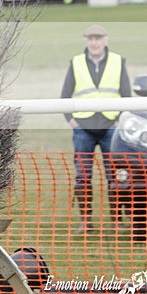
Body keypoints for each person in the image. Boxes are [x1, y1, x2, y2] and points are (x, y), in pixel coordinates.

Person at [60, 24, 131, 233]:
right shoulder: (76, 63)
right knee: (83, 176)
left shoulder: (118, 61)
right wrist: (72, 121)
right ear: (86, 41)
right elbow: (65, 96)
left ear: (105, 40)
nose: (94, 42)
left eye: (98, 38)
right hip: (83, 129)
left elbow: (126, 94)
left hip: (111, 127)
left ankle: (117, 222)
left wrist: (119, 120)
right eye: (91, 38)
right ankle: (85, 222)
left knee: (116, 175)